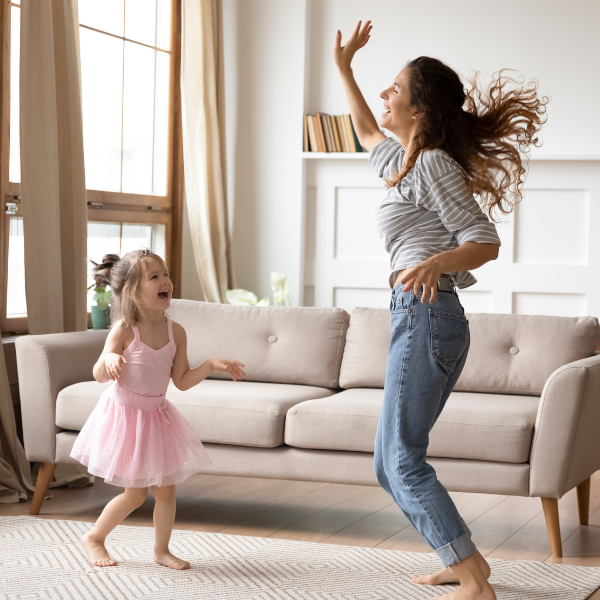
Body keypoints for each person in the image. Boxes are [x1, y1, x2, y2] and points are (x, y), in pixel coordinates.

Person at [334, 21, 548, 600]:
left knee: (401, 460)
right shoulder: (403, 164)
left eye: (394, 88)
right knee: (390, 463)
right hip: (416, 315)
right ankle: (460, 559)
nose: (385, 96)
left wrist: (437, 262)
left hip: (429, 313)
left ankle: (475, 578)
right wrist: (344, 68)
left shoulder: (431, 165)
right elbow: (360, 127)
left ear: (421, 107)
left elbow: (484, 239)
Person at [70, 247, 246, 570]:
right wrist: (108, 360)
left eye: (165, 274)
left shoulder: (175, 331)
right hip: (125, 417)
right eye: (155, 276)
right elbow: (97, 374)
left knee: (166, 491)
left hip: (157, 417)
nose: (166, 280)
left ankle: (161, 550)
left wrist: (210, 365)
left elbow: (180, 380)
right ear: (132, 291)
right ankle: (94, 538)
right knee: (135, 495)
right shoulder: (124, 329)